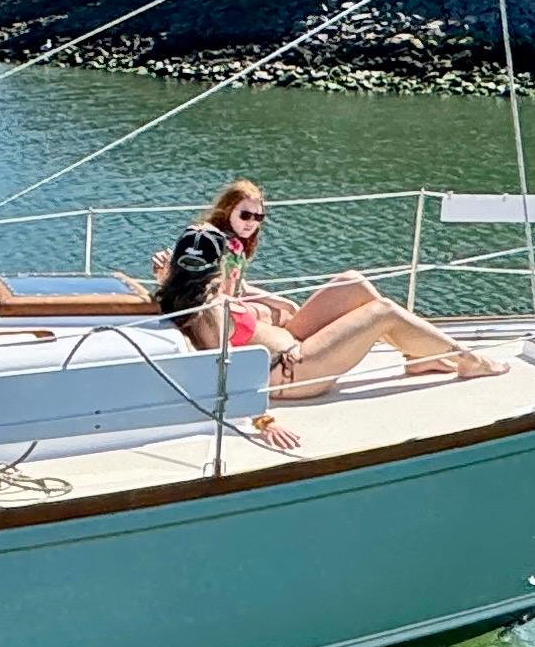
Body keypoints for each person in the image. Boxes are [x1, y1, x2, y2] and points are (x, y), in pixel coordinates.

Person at [151, 178, 504, 453]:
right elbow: (223, 372)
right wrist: (264, 420)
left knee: (353, 283)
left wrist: (166, 279)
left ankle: (417, 355)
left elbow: (196, 299)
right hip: (296, 370)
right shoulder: (209, 309)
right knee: (382, 312)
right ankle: (467, 359)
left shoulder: (188, 295)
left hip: (289, 346)